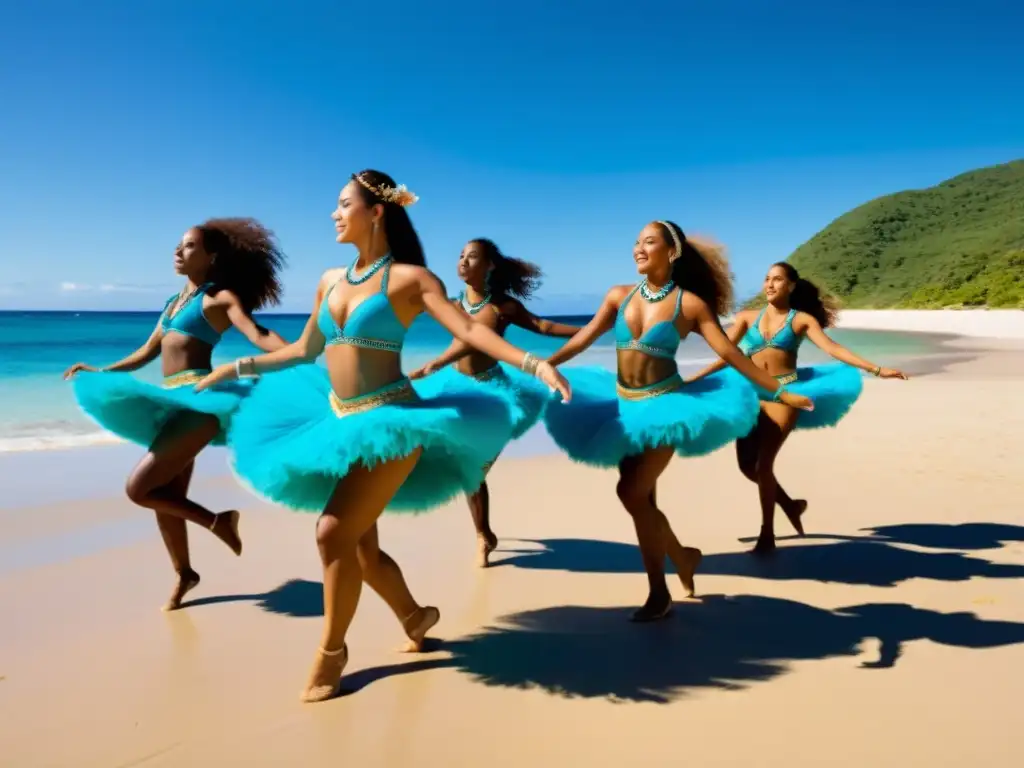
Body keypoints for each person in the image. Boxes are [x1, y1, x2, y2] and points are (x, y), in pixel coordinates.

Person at [194, 170, 571, 703]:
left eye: (343, 204)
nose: (333, 213)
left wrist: (535, 364)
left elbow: (468, 331)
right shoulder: (329, 280)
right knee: (362, 550)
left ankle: (332, 651)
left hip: (393, 424)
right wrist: (233, 370)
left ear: (376, 212)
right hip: (336, 420)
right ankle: (415, 617)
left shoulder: (412, 280)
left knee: (331, 533)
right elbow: (303, 351)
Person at [542, 221, 813, 622]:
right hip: (621, 406)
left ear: (671, 253)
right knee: (644, 501)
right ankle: (669, 578)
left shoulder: (690, 305)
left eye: (648, 242)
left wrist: (779, 390)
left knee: (630, 492)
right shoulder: (619, 296)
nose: (637, 248)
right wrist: (541, 364)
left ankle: (676, 568)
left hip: (665, 406)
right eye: (635, 241)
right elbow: (583, 337)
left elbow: (732, 354)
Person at [63, 218, 288, 610]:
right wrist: (100, 372)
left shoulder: (219, 299)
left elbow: (258, 334)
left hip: (200, 402)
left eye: (188, 246)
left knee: (140, 489)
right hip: (170, 403)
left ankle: (219, 521)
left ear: (211, 256)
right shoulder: (173, 304)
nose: (177, 251)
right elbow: (147, 352)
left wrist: (299, 351)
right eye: (178, 245)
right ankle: (185, 573)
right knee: (164, 495)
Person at [685, 262, 908, 554]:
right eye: (766, 279)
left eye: (777, 280)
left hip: (786, 393)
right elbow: (727, 354)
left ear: (790, 286)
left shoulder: (800, 320)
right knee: (746, 467)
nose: (769, 284)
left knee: (764, 465)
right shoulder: (746, 317)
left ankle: (768, 534)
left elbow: (832, 348)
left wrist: (877, 369)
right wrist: (692, 379)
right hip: (750, 393)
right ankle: (791, 505)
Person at [409, 238, 583, 567]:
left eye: (471, 257)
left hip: (493, 396)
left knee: (472, 469)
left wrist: (590, 328)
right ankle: (484, 533)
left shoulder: (503, 306)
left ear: (489, 265)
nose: (462, 261)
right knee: (461, 467)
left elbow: (543, 326)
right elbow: (454, 336)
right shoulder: (452, 306)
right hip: (456, 390)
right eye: (460, 255)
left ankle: (482, 535)